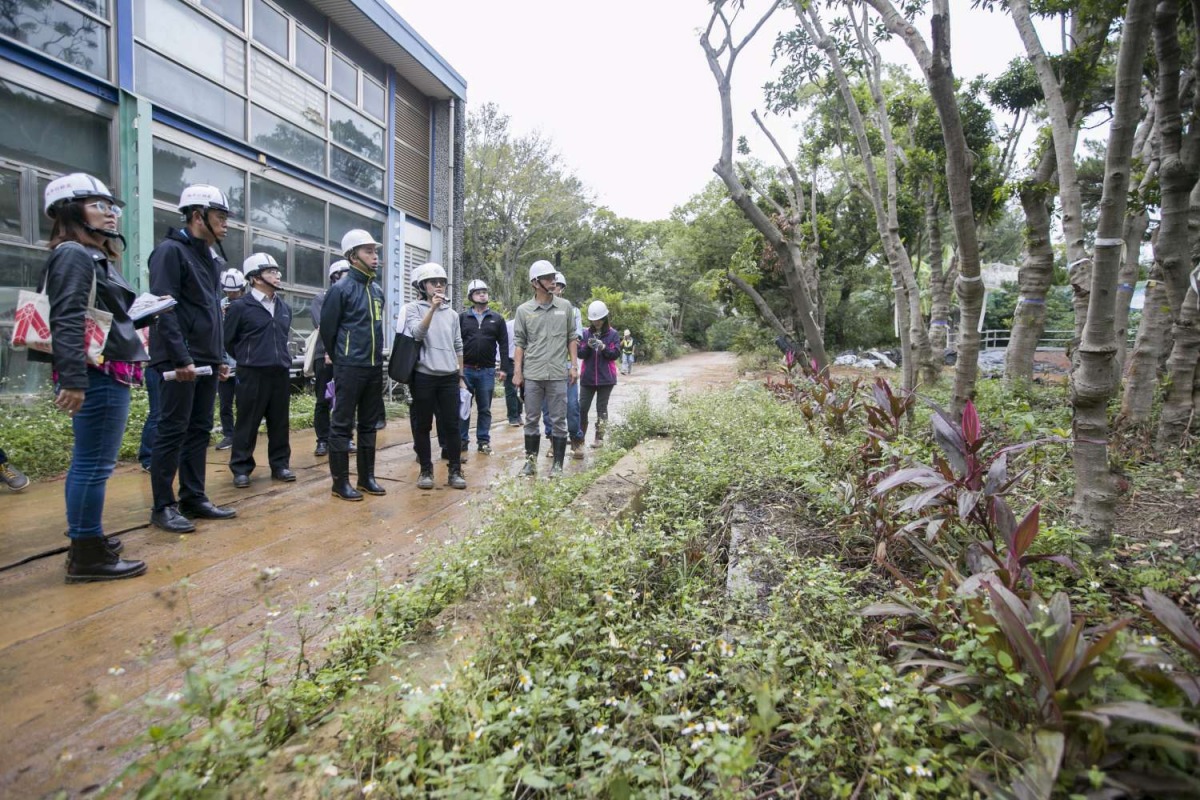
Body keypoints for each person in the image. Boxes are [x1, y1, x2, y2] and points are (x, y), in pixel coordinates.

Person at [32, 173, 148, 581]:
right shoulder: (74, 255)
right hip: (96, 375)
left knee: (90, 463)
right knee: (93, 466)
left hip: (103, 371)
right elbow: (66, 317)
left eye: (110, 206)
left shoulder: (90, 256)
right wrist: (74, 378)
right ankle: (86, 554)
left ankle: (88, 538)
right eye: (98, 205)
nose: (110, 214)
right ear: (70, 211)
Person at [147, 184, 238, 533]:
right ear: (197, 216)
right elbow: (163, 309)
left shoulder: (209, 258)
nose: (226, 225)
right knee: (172, 430)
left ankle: (193, 496)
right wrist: (181, 358)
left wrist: (219, 357)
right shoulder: (170, 252)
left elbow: (211, 312)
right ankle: (162, 506)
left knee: (199, 429)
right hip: (178, 361)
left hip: (205, 359)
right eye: (220, 217)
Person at [320, 229, 387, 501]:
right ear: (352, 256)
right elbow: (328, 330)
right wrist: (342, 357)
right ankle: (340, 483)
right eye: (368, 251)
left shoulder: (377, 290)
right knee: (341, 424)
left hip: (373, 366)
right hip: (349, 366)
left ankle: (366, 478)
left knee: (369, 424)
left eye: (376, 252)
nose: (375, 257)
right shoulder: (340, 289)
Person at [224, 253, 295, 488]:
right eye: (270, 272)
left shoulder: (284, 307)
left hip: (279, 373)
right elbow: (229, 341)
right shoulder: (240, 307)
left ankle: (280, 465)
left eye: (277, 271)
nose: (276, 275)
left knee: (279, 422)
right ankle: (241, 468)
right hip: (252, 373)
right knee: (247, 421)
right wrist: (248, 357)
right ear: (254, 278)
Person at [513, 260, 578, 477]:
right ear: (535, 282)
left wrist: (574, 366)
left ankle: (557, 466)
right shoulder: (524, 310)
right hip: (533, 374)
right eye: (548, 278)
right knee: (531, 419)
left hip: (558, 373)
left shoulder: (565, 307)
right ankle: (530, 463)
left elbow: (572, 338)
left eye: (554, 277)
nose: (553, 281)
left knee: (559, 419)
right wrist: (517, 372)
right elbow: (520, 343)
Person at [406, 263, 467, 490]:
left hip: (449, 376)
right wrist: (431, 309)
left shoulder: (452, 314)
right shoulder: (413, 309)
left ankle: (455, 470)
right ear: (422, 286)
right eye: (434, 282)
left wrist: (460, 375)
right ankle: (425, 470)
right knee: (423, 425)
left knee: (452, 425)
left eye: (442, 282)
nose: (439, 285)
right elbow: (417, 334)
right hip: (424, 376)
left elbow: (458, 344)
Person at [459, 279, 510, 456]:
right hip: (466, 370)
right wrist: (456, 371)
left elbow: (504, 345)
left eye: (485, 292)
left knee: (484, 409)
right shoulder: (463, 318)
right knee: (464, 407)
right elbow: (456, 344)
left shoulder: (497, 319)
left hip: (487, 371)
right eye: (478, 292)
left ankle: (483, 441)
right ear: (471, 296)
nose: (483, 294)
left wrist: (503, 368)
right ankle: (462, 440)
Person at [541, 272, 586, 459]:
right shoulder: (539, 309)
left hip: (566, 364)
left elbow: (575, 338)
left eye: (558, 285)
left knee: (572, 407)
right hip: (545, 366)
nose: (555, 288)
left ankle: (576, 441)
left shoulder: (572, 311)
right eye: (552, 284)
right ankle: (552, 441)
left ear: (562, 288)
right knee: (548, 408)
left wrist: (574, 366)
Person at [310, 259, 352, 458]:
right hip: (325, 355)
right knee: (323, 399)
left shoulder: (354, 297)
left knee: (345, 398)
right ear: (335, 276)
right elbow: (323, 325)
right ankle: (323, 440)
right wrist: (329, 351)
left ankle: (345, 437)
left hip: (346, 356)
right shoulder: (321, 298)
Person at [579, 301, 621, 448]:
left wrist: (603, 347)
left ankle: (599, 438)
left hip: (606, 379)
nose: (596, 322)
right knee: (582, 408)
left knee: (601, 408)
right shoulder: (585, 333)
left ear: (605, 318)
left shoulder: (613, 334)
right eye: (593, 320)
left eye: (599, 319)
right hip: (587, 378)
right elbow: (580, 354)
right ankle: (580, 436)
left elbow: (615, 354)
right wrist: (588, 347)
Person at [214, 267, 245, 451]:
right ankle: (229, 434)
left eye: (235, 291)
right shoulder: (220, 306)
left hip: (242, 364)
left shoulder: (248, 305)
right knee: (225, 403)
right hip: (224, 362)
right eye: (229, 292)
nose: (232, 295)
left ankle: (242, 434)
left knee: (243, 402)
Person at [504, 316, 522, 426]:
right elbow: (502, 344)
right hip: (510, 360)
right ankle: (512, 416)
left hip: (526, 361)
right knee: (511, 390)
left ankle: (519, 414)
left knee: (522, 390)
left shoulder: (530, 324)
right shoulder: (509, 325)